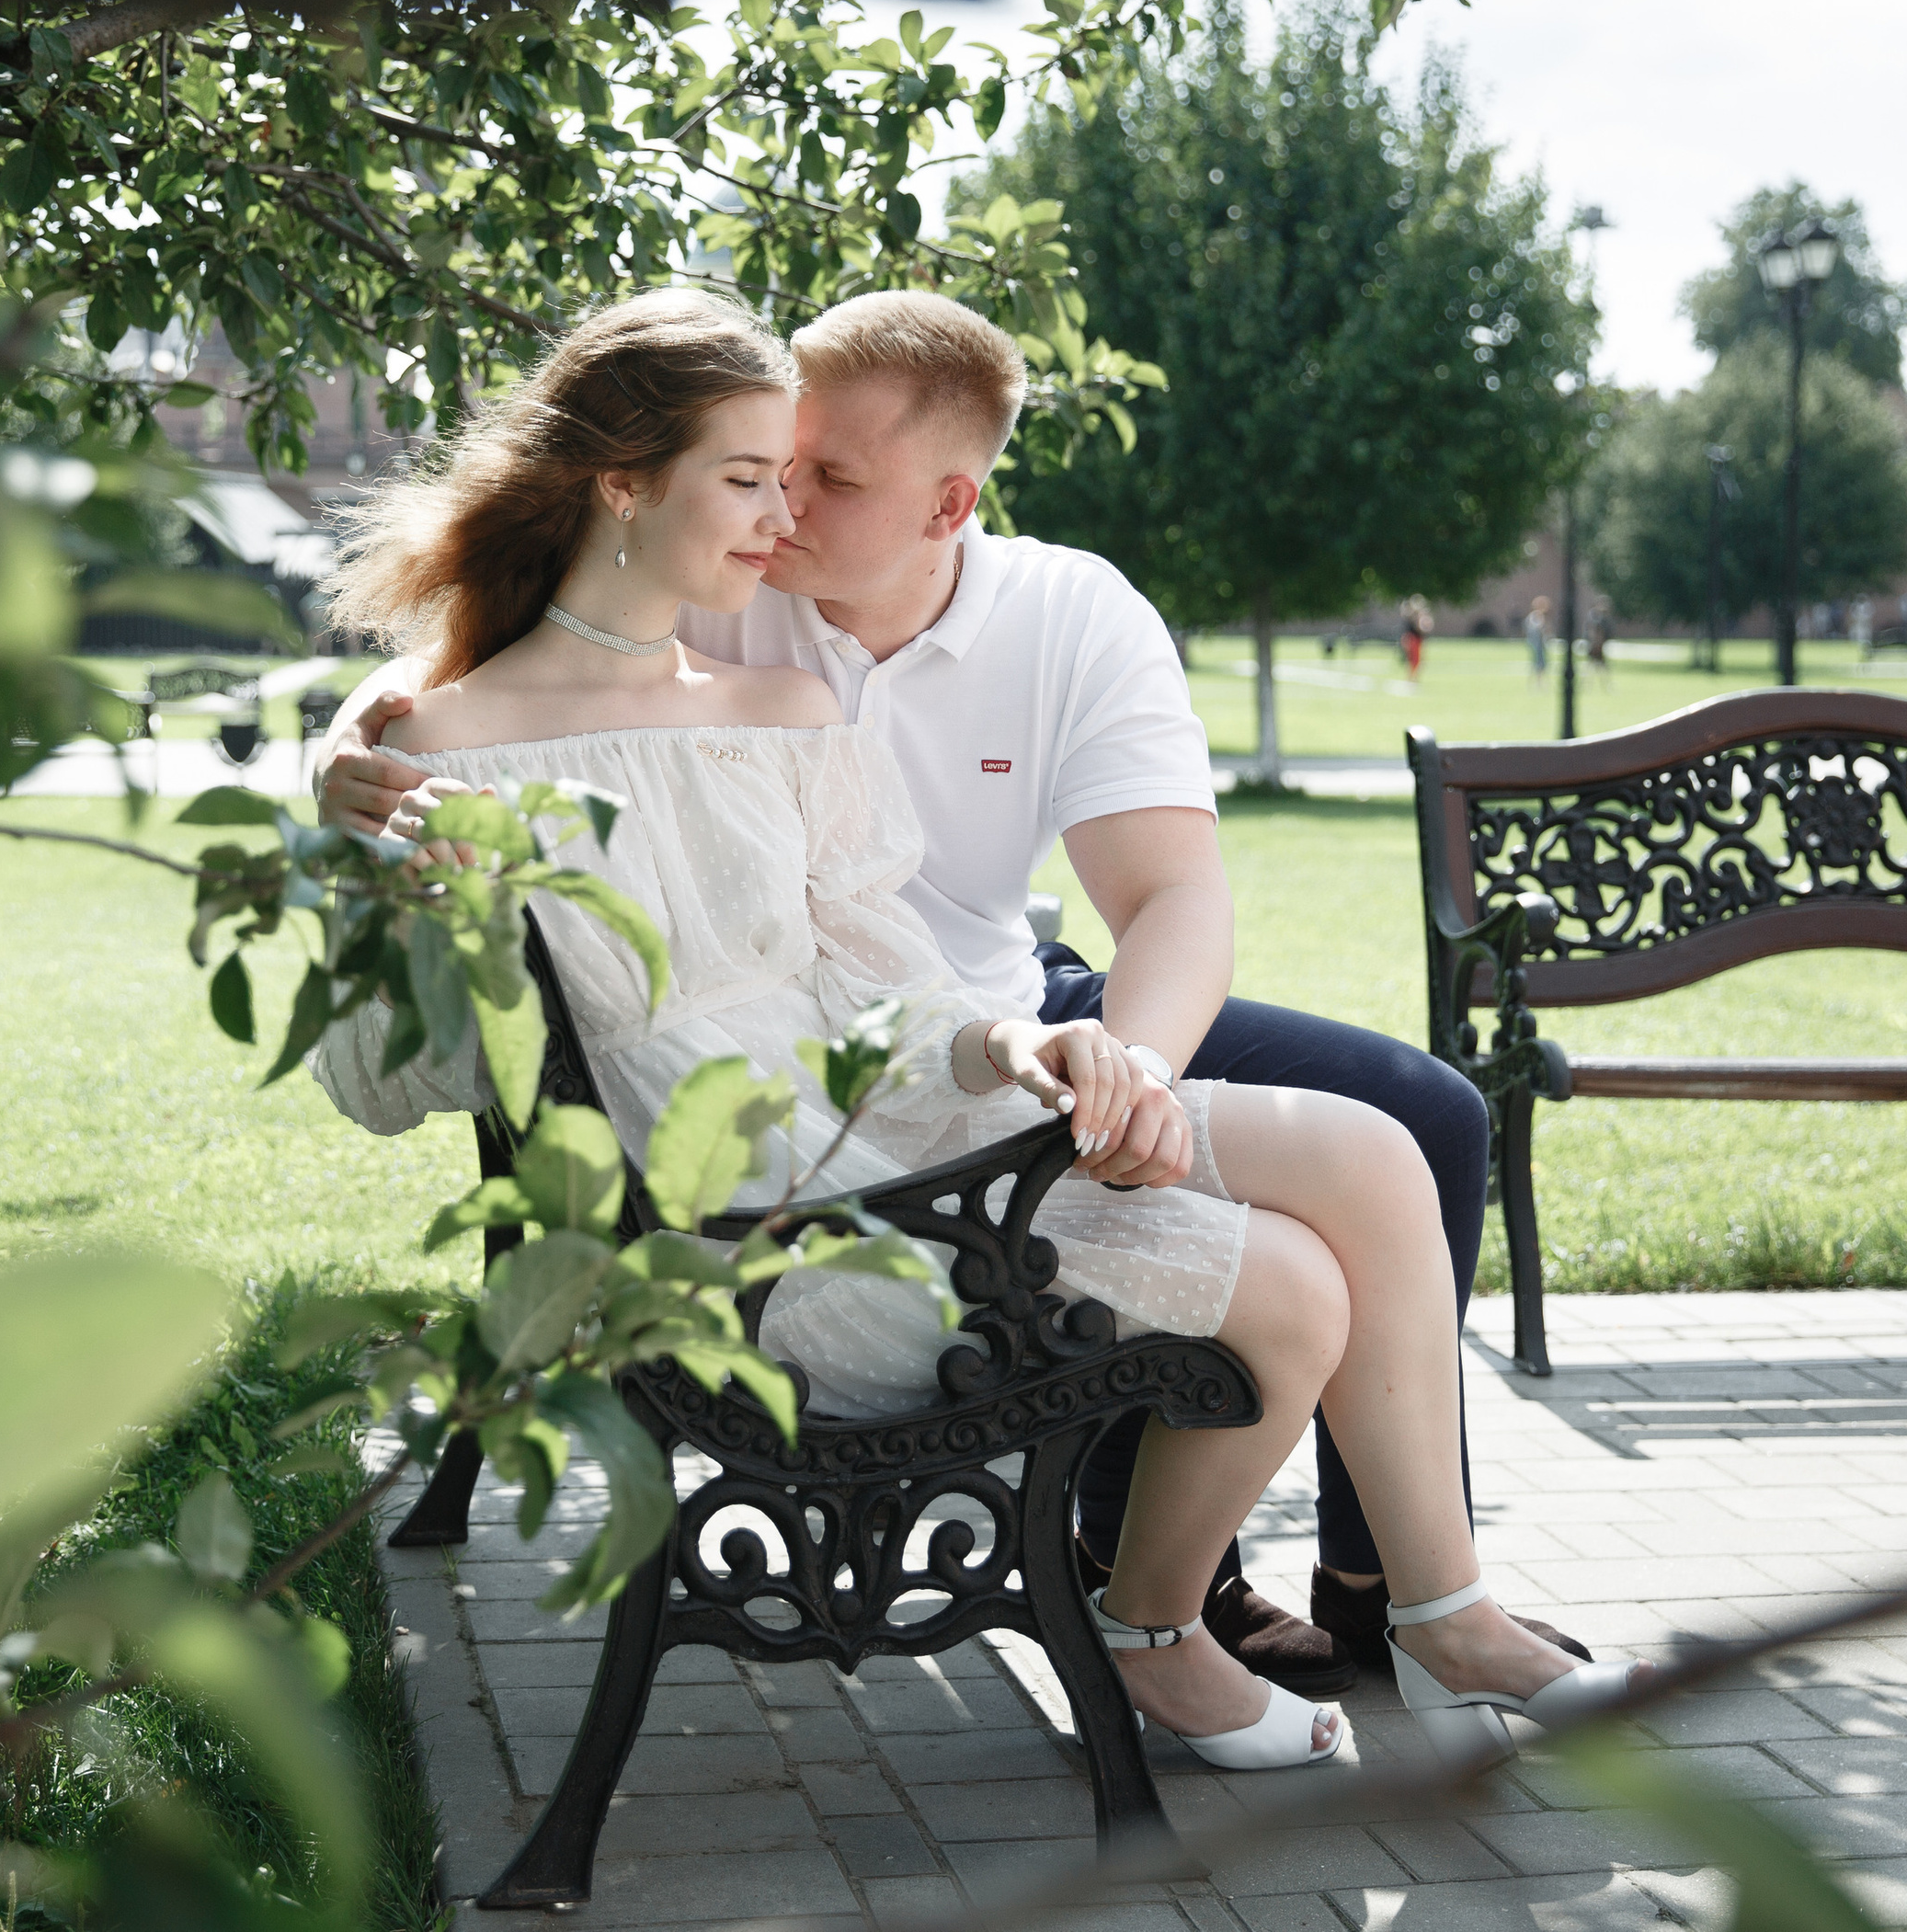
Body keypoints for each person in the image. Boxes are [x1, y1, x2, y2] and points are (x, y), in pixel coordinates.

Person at [308, 288, 1642, 1771]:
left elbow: (1004, 946)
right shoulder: (599, 657)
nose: (784, 512)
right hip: (761, 1219)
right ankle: (1171, 1626)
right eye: (760, 473)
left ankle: (1380, 1606)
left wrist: (1055, 1054)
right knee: (1290, 1277)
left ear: (949, 502)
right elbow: (399, 1015)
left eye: (815, 477)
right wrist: (380, 832)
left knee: (1390, 1146)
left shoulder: (834, 665)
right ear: (631, 482)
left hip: (936, 1073)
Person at [1524, 596, 1550, 683]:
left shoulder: (1539, 616)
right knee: (1537, 663)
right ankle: (1535, 682)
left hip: (1540, 643)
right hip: (1536, 643)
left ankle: (1539, 681)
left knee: (1541, 663)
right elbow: (1534, 628)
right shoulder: (1535, 616)